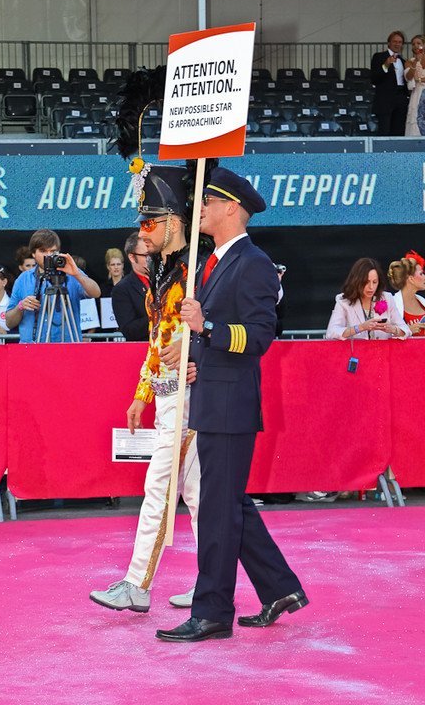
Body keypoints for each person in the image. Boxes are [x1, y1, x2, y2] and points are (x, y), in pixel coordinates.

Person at [156, 167, 308, 643]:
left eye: (208, 201)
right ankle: (279, 589)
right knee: (229, 504)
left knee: (218, 512)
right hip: (215, 398)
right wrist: (193, 359)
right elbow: (214, 335)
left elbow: (260, 336)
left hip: (230, 404)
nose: (199, 208)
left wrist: (205, 328)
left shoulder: (253, 262)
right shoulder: (216, 261)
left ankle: (213, 611)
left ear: (231, 208)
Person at [89, 164, 200, 613]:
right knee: (199, 497)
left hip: (189, 398)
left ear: (174, 221)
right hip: (169, 395)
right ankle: (215, 583)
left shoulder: (197, 269)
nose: (142, 231)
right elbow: (158, 339)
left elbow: (211, 327)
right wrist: (142, 394)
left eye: (149, 222)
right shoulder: (164, 271)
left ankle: (136, 583)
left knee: (159, 489)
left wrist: (195, 355)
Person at [5, 229, 100, 343]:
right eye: (43, 251)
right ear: (33, 253)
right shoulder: (23, 279)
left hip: (67, 347)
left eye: (53, 251)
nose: (48, 255)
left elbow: (96, 293)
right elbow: (9, 323)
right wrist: (21, 306)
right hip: (32, 349)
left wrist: (77, 274)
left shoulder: (71, 274)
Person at [325, 257, 410, 340]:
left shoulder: (387, 298)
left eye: (374, 282)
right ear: (356, 281)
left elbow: (406, 330)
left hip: (382, 349)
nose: (371, 287)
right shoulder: (344, 301)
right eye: (366, 282)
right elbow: (331, 333)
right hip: (356, 350)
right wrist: (361, 327)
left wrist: (393, 329)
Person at [111, 232, 150, 341]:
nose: (151, 258)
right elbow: (129, 330)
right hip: (144, 347)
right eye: (146, 255)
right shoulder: (122, 289)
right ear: (132, 257)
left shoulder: (165, 280)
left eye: (154, 253)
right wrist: (159, 316)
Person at [371, 30, 409, 136]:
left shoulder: (403, 61)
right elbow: (374, 78)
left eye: (400, 42)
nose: (397, 44)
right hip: (385, 100)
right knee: (385, 131)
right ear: (389, 43)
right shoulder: (379, 56)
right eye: (395, 41)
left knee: (399, 131)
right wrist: (386, 65)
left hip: (401, 98)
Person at [388, 250, 425, 336]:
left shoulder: (423, 301)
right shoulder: (392, 303)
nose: (424, 277)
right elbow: (384, 335)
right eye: (421, 274)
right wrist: (407, 331)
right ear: (411, 279)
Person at [404, 35, 425, 136]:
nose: (416, 46)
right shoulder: (410, 61)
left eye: (419, 43)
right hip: (417, 93)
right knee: (416, 120)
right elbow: (409, 77)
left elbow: (417, 79)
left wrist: (420, 79)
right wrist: (416, 62)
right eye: (413, 44)